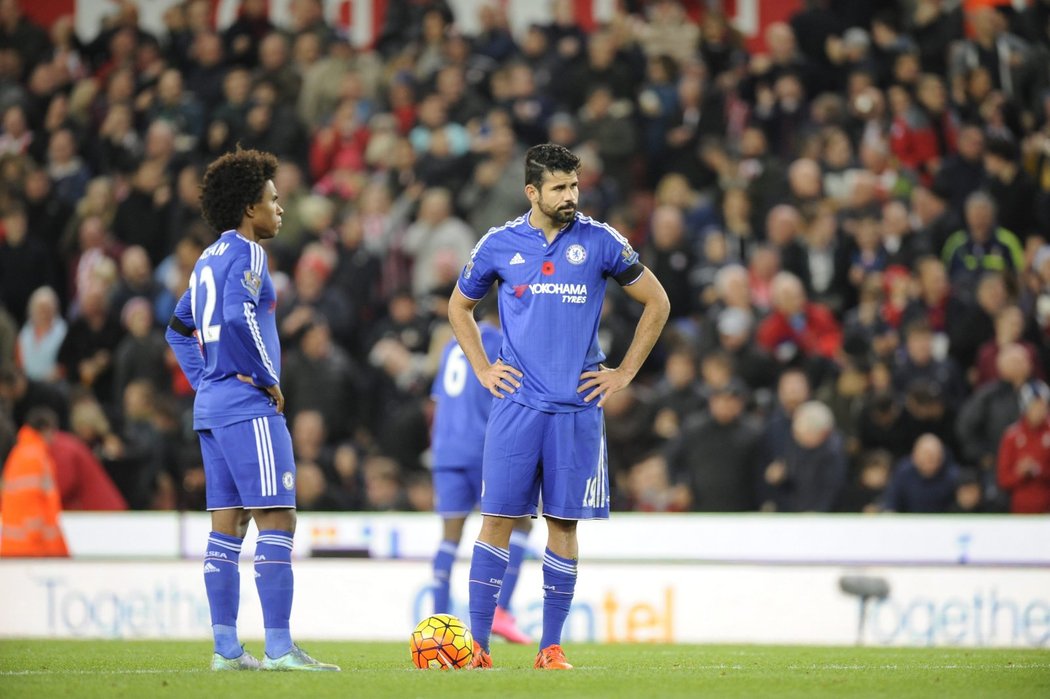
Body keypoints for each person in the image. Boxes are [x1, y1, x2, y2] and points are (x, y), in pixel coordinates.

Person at [447, 143, 670, 670]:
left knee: (563, 525)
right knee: (497, 520)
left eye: (575, 186)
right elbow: (459, 305)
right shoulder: (500, 243)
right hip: (516, 406)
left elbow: (657, 302)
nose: (571, 196)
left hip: (577, 409)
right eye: (560, 188)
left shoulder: (601, 241)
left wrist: (624, 374)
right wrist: (483, 367)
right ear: (533, 192)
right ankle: (478, 648)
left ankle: (550, 647)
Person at [165, 148, 338, 672]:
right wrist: (268, 379)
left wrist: (206, 381)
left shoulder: (205, 260)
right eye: (273, 200)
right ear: (248, 208)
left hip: (213, 409)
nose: (280, 210)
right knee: (277, 517)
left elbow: (177, 329)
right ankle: (281, 649)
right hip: (247, 406)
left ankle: (226, 651)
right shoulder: (251, 253)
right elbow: (240, 320)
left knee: (226, 527)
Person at [429, 299, 531, 644]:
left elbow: (439, 399)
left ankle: (437, 623)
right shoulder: (495, 341)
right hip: (482, 447)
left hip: (445, 450)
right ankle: (501, 609)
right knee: (519, 522)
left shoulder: (449, 347)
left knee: (449, 537)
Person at [0, 407, 69, 557]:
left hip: (11, 546)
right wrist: (57, 551)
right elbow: (45, 507)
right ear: (46, 430)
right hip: (33, 548)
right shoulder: (38, 458)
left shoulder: (17, 454)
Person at [997, 380, 1050, 514]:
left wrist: (1038, 470)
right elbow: (1003, 478)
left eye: (1042, 405)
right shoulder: (1012, 435)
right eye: (1034, 405)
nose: (1039, 410)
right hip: (1021, 509)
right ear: (1025, 407)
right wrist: (1020, 473)